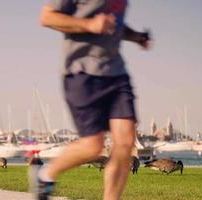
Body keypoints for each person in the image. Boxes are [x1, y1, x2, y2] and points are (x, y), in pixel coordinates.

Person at [36, 1, 151, 200]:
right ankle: (46, 174)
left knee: (125, 142)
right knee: (92, 147)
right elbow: (47, 17)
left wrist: (136, 37)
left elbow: (114, 26)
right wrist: (89, 25)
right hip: (82, 72)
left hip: (116, 73)